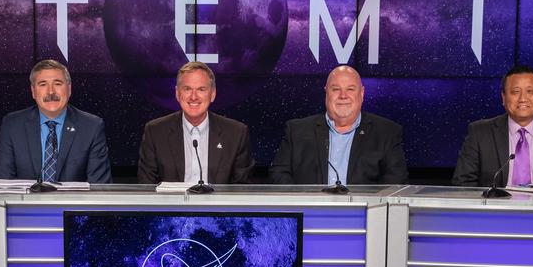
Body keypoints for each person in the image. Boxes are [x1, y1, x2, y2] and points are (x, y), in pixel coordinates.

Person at [269, 65, 408, 185]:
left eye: (350, 89)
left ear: (362, 93)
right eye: (335, 89)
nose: (343, 96)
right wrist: (303, 202)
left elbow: (396, 183)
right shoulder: (296, 131)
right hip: (309, 207)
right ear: (326, 93)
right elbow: (278, 174)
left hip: (365, 208)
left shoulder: (387, 133)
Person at [451, 65, 533, 188]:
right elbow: (462, 185)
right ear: (503, 97)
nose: (522, 99)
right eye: (515, 92)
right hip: (495, 206)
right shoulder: (479, 133)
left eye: (530, 91)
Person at [0, 59, 112, 183]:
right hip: (27, 197)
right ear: (33, 91)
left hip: (74, 197)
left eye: (58, 83)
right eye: (43, 84)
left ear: (69, 89)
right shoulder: (12, 125)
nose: (51, 91)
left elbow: (100, 187)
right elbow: (2, 183)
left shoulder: (91, 127)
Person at [137, 62, 254, 184]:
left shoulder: (236, 134)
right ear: (177, 93)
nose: (193, 97)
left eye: (201, 89)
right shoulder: (155, 132)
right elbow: (146, 187)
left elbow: (241, 189)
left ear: (212, 94)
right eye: (187, 89)